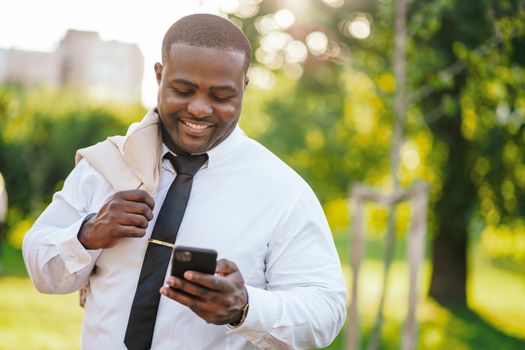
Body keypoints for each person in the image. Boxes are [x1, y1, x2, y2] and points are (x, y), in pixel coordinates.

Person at [22, 13, 347, 349]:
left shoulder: (281, 191)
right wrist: (87, 234)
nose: (199, 109)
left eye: (221, 96)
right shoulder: (104, 166)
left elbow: (326, 311)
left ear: (244, 87)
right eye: (182, 90)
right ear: (159, 76)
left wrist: (245, 307)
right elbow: (41, 269)